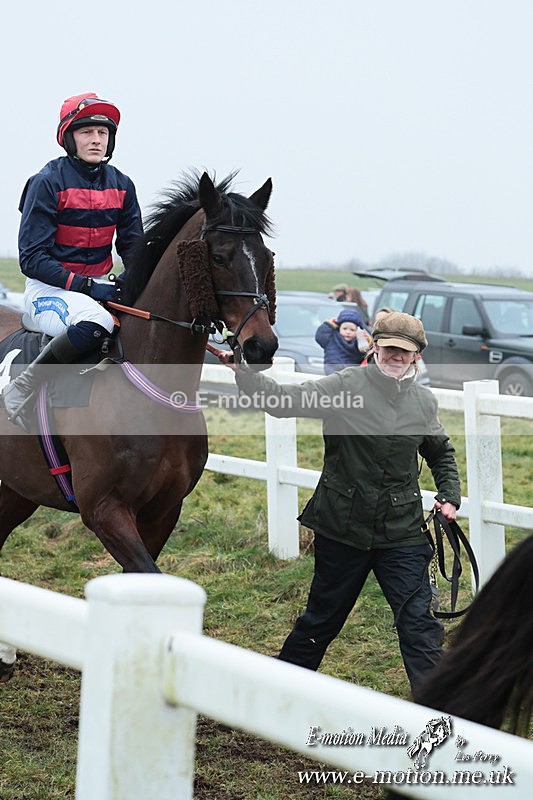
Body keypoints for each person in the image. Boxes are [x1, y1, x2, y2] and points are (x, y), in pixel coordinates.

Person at [228, 311, 461, 692]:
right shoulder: (346, 384)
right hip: (342, 528)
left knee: (419, 623)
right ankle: (275, 694)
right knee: (321, 620)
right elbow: (284, 401)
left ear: (417, 356)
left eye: (405, 352)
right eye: (389, 349)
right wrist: (246, 374)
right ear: (375, 347)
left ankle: (443, 712)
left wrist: (449, 495)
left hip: (401, 533)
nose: (396, 357)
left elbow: (441, 452)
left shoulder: (423, 402)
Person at [2, 92, 143, 433]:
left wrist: (135, 282)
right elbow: (32, 258)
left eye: (103, 133)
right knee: (97, 320)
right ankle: (21, 388)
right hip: (48, 292)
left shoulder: (122, 186)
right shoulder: (46, 182)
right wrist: (85, 285)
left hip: (98, 289)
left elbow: (134, 248)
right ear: (69, 136)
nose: (96, 140)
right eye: (87, 132)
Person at [315, 308, 368, 374]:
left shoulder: (358, 342)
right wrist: (328, 324)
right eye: (344, 328)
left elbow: (366, 350)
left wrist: (366, 339)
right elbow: (320, 337)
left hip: (351, 375)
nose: (348, 332)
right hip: (332, 373)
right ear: (339, 327)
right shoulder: (331, 338)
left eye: (352, 330)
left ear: (357, 330)